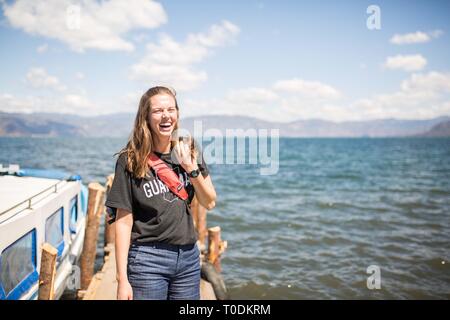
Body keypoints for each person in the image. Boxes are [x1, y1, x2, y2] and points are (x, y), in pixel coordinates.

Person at [105, 86, 217, 300]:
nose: (166, 116)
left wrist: (190, 168)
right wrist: (122, 280)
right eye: (157, 111)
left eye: (171, 109)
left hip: (188, 258)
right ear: (145, 116)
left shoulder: (189, 149)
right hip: (147, 260)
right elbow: (123, 222)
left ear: (177, 113)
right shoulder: (130, 159)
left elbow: (209, 202)